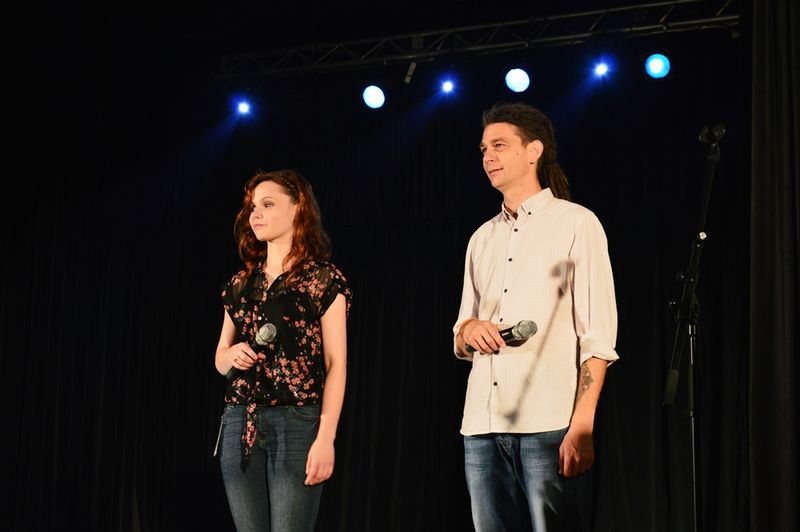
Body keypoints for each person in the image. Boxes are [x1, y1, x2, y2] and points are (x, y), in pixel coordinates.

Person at [453, 102, 619, 532]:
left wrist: (582, 426)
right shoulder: (481, 238)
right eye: (484, 148)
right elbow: (460, 336)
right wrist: (471, 330)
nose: (488, 156)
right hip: (482, 425)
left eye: (499, 145)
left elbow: (597, 336)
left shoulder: (576, 223)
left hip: (548, 425)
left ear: (534, 150)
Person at [214, 168, 351, 532]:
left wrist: (326, 438)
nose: (255, 214)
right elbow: (220, 357)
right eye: (252, 207)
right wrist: (231, 356)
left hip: (297, 421)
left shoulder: (322, 279)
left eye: (268, 204)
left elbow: (336, 363)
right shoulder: (241, 283)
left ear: (297, 208)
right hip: (240, 421)